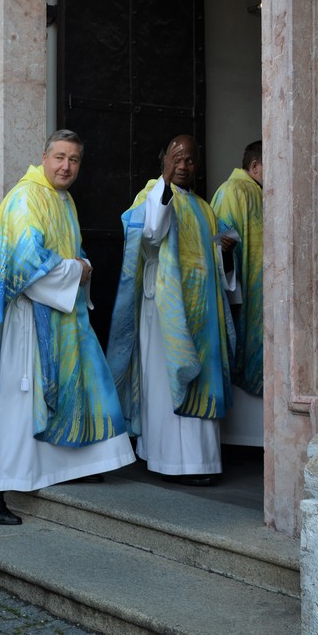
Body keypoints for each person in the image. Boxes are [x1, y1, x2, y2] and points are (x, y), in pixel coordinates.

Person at [0, 130, 136, 526]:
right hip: (29, 320)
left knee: (76, 388)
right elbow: (26, 263)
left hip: (60, 316)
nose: (66, 166)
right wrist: (77, 269)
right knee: (19, 403)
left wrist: (78, 265)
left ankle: (70, 464)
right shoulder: (26, 197)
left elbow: (63, 253)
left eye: (74, 160)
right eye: (60, 157)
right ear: (44, 157)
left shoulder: (62, 199)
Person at [108, 135, 236, 487]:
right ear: (163, 160)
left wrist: (225, 253)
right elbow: (151, 233)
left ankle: (202, 459)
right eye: (176, 159)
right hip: (166, 307)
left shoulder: (204, 208)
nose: (182, 166)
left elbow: (217, 264)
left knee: (201, 380)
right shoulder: (150, 194)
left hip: (203, 310)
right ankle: (169, 460)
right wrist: (163, 183)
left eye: (189, 160)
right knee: (167, 382)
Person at [211, 140, 263, 398]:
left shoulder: (259, 191)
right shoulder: (232, 191)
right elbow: (219, 245)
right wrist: (226, 253)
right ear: (255, 166)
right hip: (245, 296)